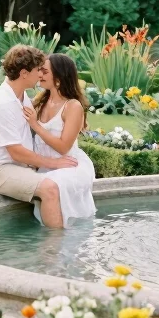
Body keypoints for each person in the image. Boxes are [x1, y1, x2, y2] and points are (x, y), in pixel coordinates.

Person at [0, 44, 78, 228]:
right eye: (38, 70)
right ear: (24, 73)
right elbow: (16, 152)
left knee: (63, 182)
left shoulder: (22, 97)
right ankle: (54, 251)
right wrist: (53, 163)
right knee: (50, 189)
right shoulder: (2, 103)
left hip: (17, 166)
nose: (41, 74)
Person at [24, 53, 96, 227]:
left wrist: (36, 126)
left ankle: (54, 243)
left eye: (45, 71)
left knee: (52, 186)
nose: (39, 74)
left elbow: (64, 147)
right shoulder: (40, 102)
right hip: (46, 166)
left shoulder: (73, 106)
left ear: (59, 77)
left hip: (69, 165)